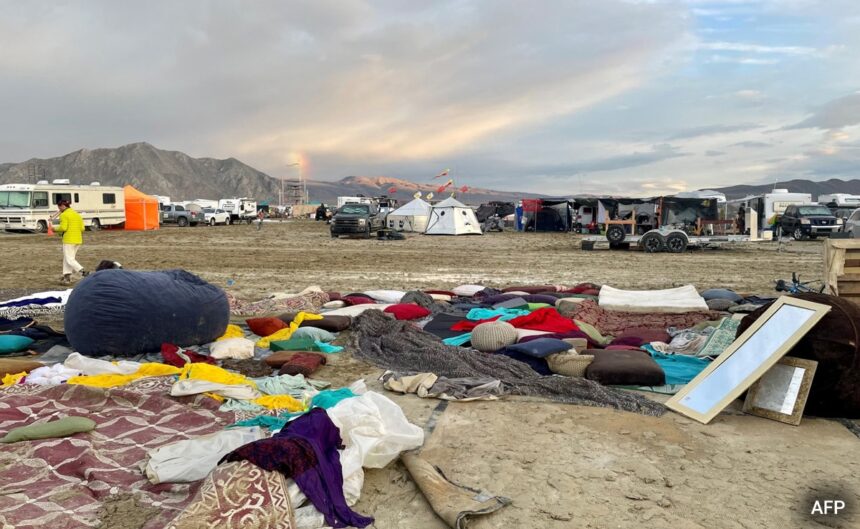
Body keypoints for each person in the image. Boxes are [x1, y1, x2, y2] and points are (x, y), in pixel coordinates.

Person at [55, 200, 88, 283]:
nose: (59, 209)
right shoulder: (77, 214)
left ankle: (83, 272)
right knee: (67, 258)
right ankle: (67, 277)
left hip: (69, 240)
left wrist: (54, 228)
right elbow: (82, 228)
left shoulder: (64, 215)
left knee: (69, 259)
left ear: (62, 206)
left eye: (59, 207)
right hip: (78, 239)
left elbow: (63, 228)